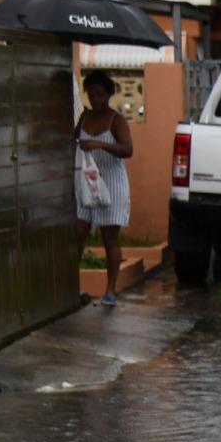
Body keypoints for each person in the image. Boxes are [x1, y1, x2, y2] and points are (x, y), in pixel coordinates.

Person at [74, 72, 133, 308]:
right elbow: (74, 139)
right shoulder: (84, 117)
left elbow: (128, 149)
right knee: (78, 231)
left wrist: (99, 144)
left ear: (109, 94)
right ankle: (72, 284)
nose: (96, 99)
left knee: (110, 237)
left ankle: (110, 290)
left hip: (112, 183)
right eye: (91, 94)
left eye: (100, 95)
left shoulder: (116, 121)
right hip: (87, 181)